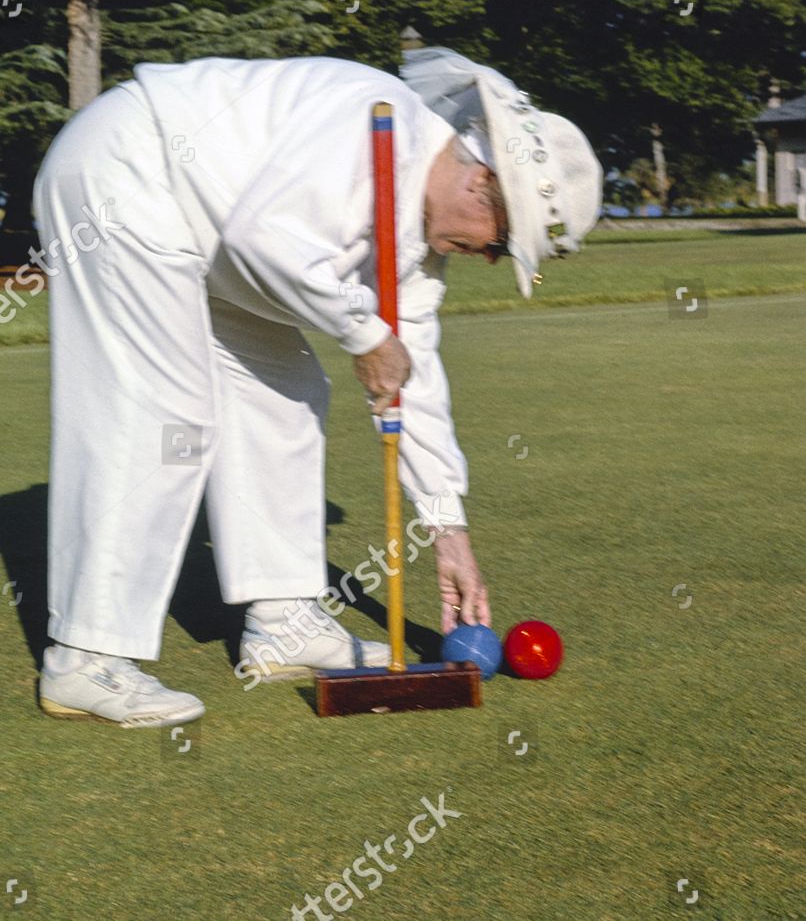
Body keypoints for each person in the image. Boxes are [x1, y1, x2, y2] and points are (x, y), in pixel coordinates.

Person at [31, 47, 602, 727]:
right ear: (480, 182)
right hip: (127, 174)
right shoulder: (368, 122)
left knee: (288, 389)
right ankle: (85, 657)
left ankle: (284, 625)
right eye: (500, 244)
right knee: (166, 413)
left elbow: (411, 380)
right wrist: (364, 334)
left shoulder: (421, 242)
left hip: (205, 228)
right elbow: (265, 236)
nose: (486, 258)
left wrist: (449, 531)